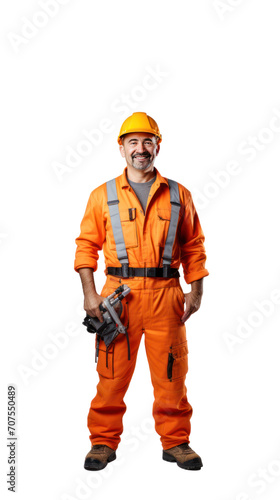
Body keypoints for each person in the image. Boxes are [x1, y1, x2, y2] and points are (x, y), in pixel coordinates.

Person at [74, 112, 209, 471]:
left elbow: (194, 245)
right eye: (132, 142)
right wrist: (90, 296)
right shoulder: (101, 196)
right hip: (119, 297)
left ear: (157, 146)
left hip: (167, 294)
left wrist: (196, 291)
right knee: (112, 373)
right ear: (121, 149)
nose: (140, 149)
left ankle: (176, 441)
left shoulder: (179, 194)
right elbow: (86, 247)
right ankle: (102, 441)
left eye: (147, 141)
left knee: (171, 374)